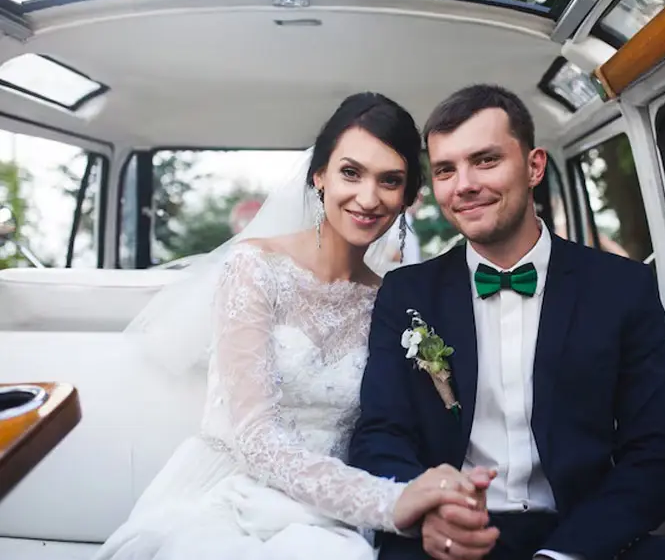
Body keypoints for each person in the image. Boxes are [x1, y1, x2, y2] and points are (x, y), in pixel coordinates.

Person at [93, 92, 493, 560]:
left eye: (390, 181)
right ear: (319, 176)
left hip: (325, 511)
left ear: (407, 197)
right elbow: (256, 438)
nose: (368, 197)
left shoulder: (393, 301)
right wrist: (390, 501)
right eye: (350, 172)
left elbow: (399, 423)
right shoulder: (255, 268)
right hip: (229, 491)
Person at [348, 85, 665, 560]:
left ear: (534, 167)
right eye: (445, 169)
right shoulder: (406, 294)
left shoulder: (620, 287)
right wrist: (429, 508)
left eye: (485, 160)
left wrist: (565, 554)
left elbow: (657, 455)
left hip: (583, 532)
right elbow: (380, 435)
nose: (463, 184)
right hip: (453, 536)